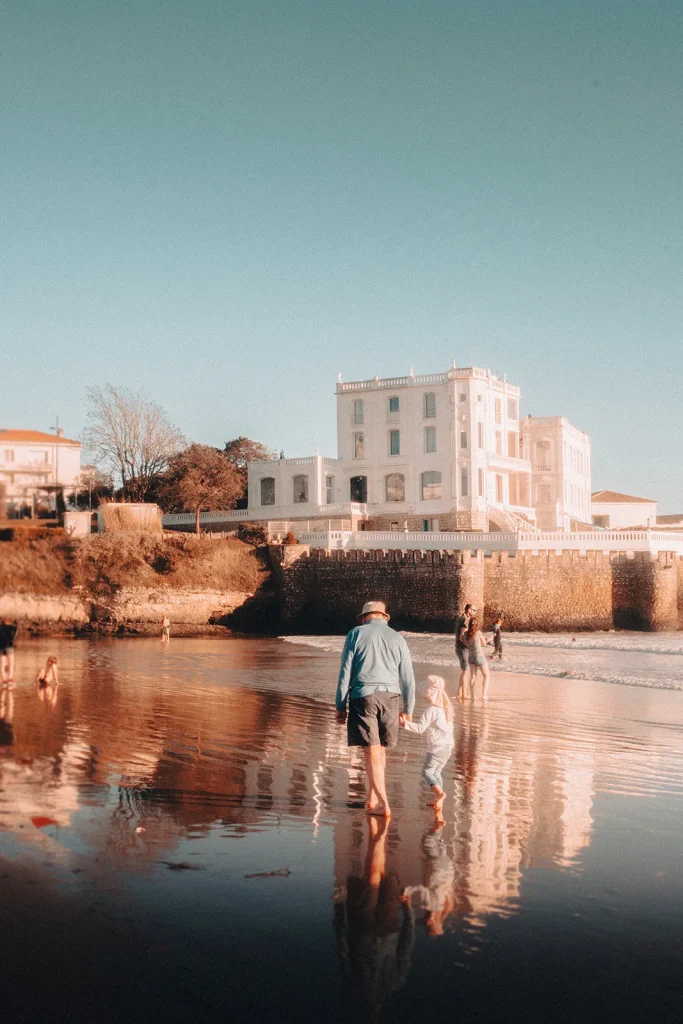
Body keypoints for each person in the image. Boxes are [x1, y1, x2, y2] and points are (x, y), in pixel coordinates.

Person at [336, 600, 415, 818]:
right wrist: (409, 707)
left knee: (370, 750)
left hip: (364, 696)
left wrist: (340, 705)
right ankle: (372, 796)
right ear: (384, 617)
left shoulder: (356, 634)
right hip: (391, 697)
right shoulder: (398, 638)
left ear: (364, 617)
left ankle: (383, 801)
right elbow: (408, 676)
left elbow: (345, 672)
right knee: (379, 750)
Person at [333, 816, 414, 1015]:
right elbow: (343, 950)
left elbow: (405, 949)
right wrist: (339, 915)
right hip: (366, 931)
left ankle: (379, 834)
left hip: (385, 930)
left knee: (381, 878)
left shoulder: (393, 984)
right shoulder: (357, 986)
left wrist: (408, 912)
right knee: (375, 878)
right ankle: (378, 833)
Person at [401, 675, 454, 817]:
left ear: (433, 694)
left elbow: (420, 729)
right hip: (448, 747)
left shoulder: (431, 710)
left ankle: (440, 794)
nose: (425, 696)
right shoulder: (447, 708)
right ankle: (439, 800)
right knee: (437, 772)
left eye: (427, 694)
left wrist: (404, 724)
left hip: (436, 748)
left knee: (427, 772)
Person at [462, 616, 491, 699]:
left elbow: (465, 643)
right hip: (479, 656)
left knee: (473, 677)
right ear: (476, 625)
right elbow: (484, 643)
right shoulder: (478, 633)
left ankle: (472, 696)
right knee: (486, 675)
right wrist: (487, 640)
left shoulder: (465, 634)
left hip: (470, 657)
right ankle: (484, 695)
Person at [454, 604, 475, 699]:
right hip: (462, 648)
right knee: (465, 671)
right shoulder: (465, 620)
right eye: (474, 610)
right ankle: (464, 694)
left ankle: (459, 692)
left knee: (464, 671)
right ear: (469, 610)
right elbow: (462, 635)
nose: (475, 612)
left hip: (459, 647)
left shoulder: (460, 618)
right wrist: (469, 644)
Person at [0, 618, 18, 689]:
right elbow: (14, 637)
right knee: (11, 663)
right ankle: (10, 679)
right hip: (9, 646)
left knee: (2, 664)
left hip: (0, 647)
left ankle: (4, 680)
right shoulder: (12, 628)